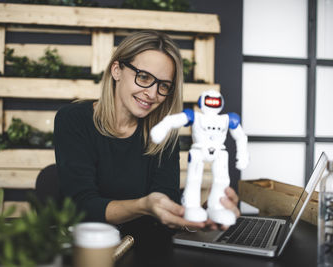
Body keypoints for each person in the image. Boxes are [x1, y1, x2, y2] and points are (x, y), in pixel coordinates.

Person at [54, 30, 240, 245]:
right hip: (87, 247)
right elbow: (83, 206)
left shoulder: (163, 132)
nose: (152, 94)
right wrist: (143, 206)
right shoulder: (73, 119)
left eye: (163, 86)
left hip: (146, 247)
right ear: (117, 70)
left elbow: (164, 206)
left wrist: (204, 213)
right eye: (143, 77)